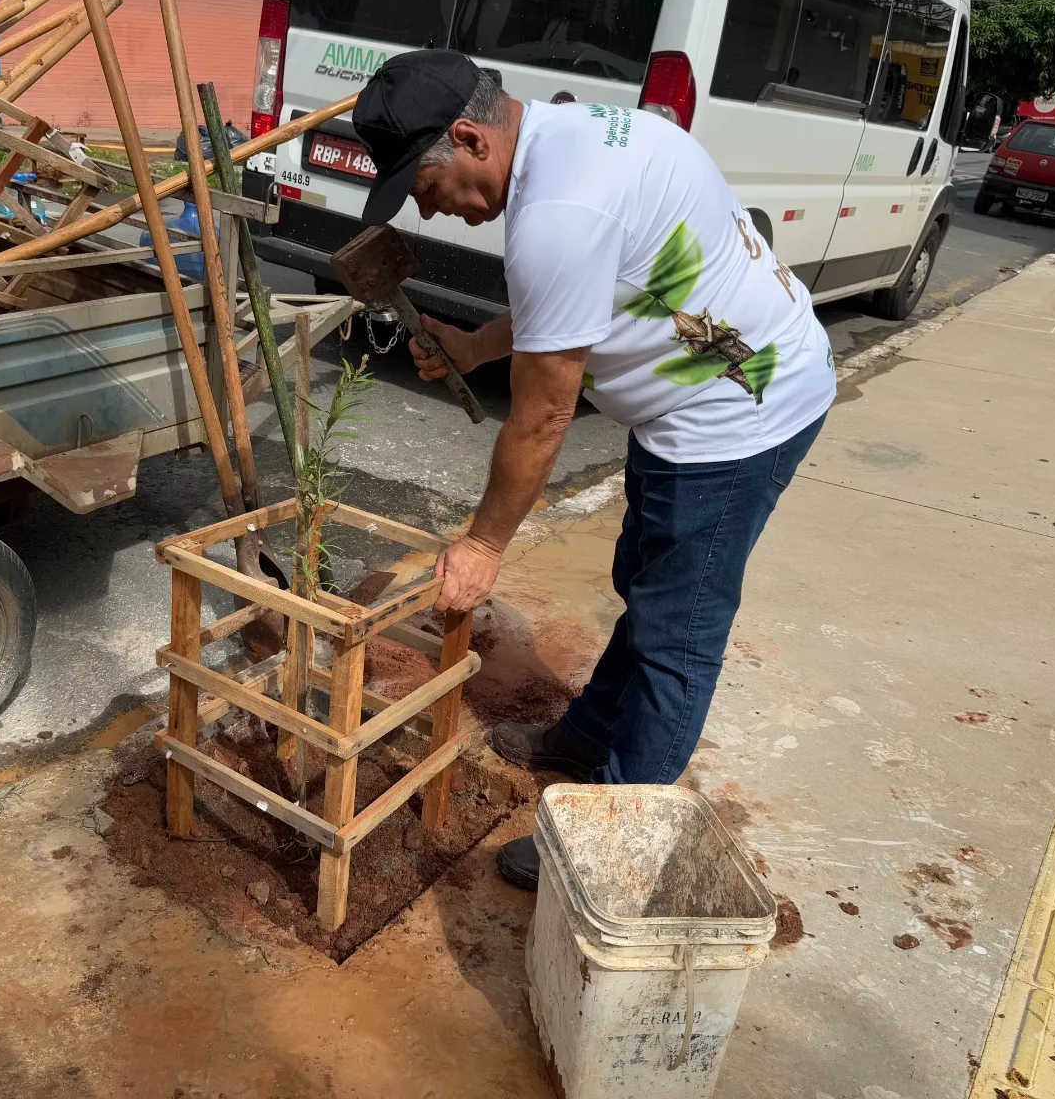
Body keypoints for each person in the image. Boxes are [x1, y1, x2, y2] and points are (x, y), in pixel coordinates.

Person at [351, 50, 836, 889]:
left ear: (468, 138)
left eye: (424, 187)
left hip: (740, 419)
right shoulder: (575, 137)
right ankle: (590, 735)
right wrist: (472, 344)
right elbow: (576, 298)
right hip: (707, 394)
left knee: (678, 632)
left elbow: (542, 419)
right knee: (647, 581)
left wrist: (482, 546)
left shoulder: (557, 211)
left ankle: (615, 840)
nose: (429, 210)